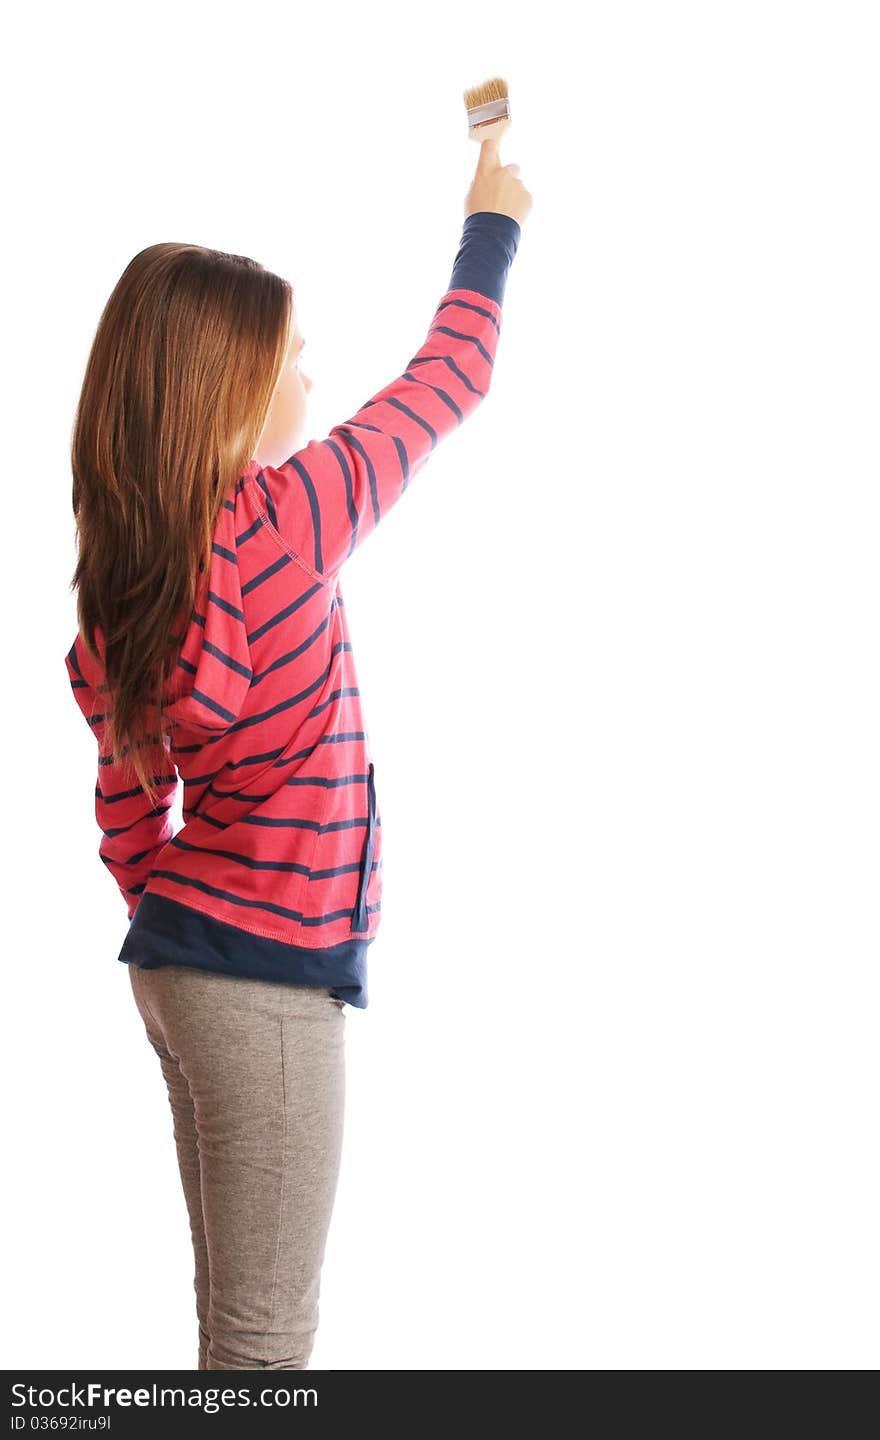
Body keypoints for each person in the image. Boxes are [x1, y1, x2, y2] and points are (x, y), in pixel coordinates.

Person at [64, 137, 531, 1370]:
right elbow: (450, 374)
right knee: (265, 1357)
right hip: (263, 979)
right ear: (229, 393)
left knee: (233, 1335)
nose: (311, 377)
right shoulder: (288, 518)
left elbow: (126, 806)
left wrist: (179, 920)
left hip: (180, 964)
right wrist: (491, 221)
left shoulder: (125, 580)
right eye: (293, 358)